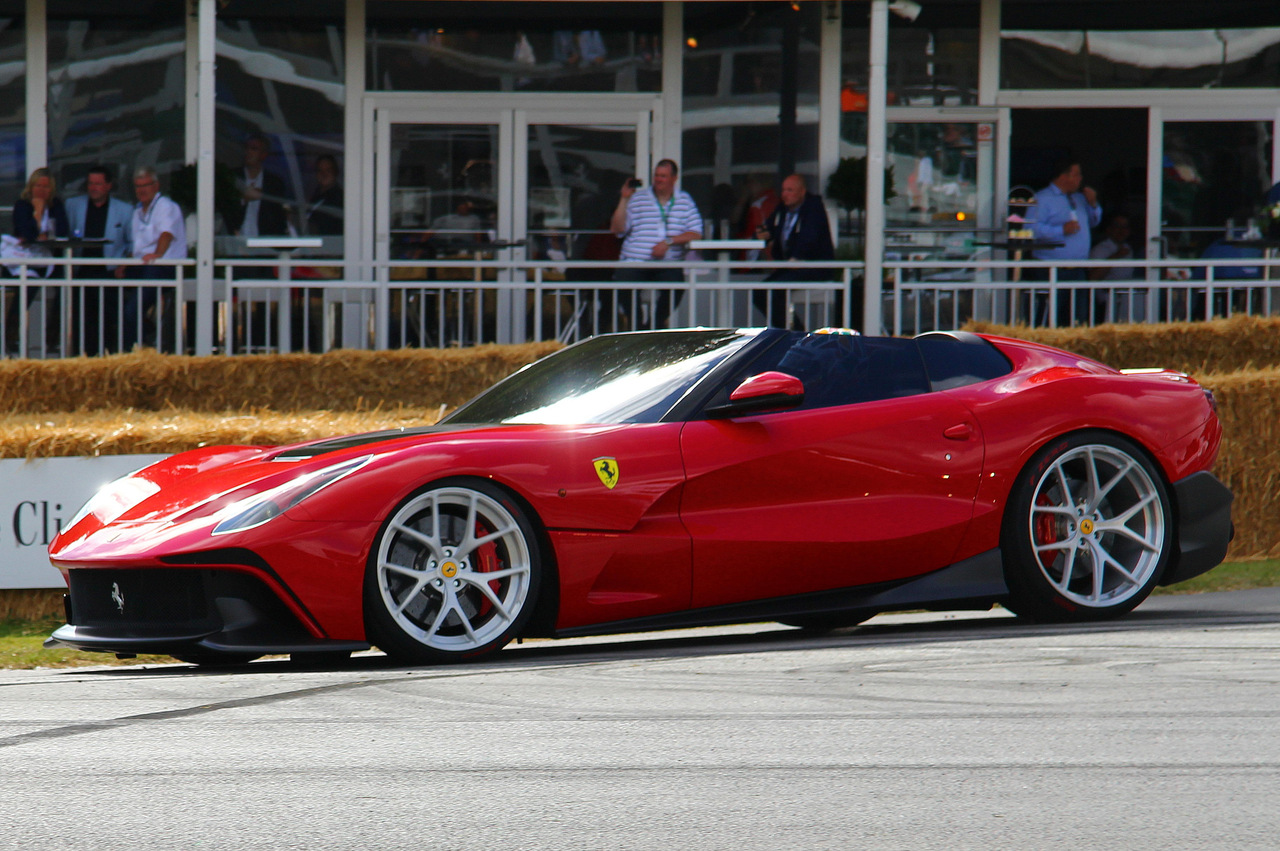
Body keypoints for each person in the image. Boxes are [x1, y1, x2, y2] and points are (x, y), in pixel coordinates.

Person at [610, 158, 702, 329]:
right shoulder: (638, 199)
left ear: (674, 178)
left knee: (676, 285)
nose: (658, 180)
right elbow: (617, 229)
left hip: (668, 264)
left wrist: (669, 242)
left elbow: (696, 233)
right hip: (635, 261)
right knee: (624, 281)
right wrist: (624, 199)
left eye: (663, 176)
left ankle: (654, 326)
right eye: (656, 175)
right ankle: (636, 327)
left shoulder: (684, 200)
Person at [64, 165, 133, 354]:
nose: (93, 187)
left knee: (109, 319)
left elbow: (132, 242)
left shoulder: (125, 210)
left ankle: (109, 357)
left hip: (108, 273)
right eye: (90, 183)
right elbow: (64, 235)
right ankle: (83, 357)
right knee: (82, 321)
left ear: (109, 185)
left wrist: (123, 264)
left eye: (98, 183)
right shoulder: (72, 205)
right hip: (80, 271)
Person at [753, 174, 835, 329]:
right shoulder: (782, 209)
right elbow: (767, 229)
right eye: (783, 190)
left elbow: (809, 236)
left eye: (790, 190)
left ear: (802, 192)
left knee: (775, 291)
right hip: (790, 267)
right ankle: (788, 332)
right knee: (760, 292)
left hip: (813, 267)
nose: (784, 194)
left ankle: (796, 334)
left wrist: (797, 258)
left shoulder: (813, 208)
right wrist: (762, 235)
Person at [121, 167, 187, 351]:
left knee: (131, 310)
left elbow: (166, 234)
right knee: (109, 293)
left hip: (162, 267)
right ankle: (147, 333)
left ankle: (133, 350)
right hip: (141, 266)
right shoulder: (137, 212)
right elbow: (136, 247)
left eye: (146, 185)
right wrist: (123, 264)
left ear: (156, 185)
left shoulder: (166, 206)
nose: (141, 190)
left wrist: (158, 254)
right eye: (137, 186)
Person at [1030, 159, 1102, 323]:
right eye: (1077, 174)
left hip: (1078, 269)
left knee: (1079, 319)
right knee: (1050, 317)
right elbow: (1032, 230)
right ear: (1063, 176)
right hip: (1052, 269)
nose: (1080, 179)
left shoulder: (1079, 198)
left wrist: (1093, 203)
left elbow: (1094, 222)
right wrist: (1061, 230)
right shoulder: (1042, 198)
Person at [6, 167, 69, 352]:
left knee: (65, 283)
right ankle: (11, 337)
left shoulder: (56, 205)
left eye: (46, 187)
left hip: (50, 258)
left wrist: (41, 234)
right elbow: (27, 233)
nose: (42, 190)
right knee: (28, 287)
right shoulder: (22, 205)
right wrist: (38, 213)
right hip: (28, 260)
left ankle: (53, 339)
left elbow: (62, 231)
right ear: (31, 187)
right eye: (38, 186)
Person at [220, 133, 288, 238]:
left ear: (264, 154)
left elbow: (278, 217)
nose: (249, 152)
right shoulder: (233, 177)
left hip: (264, 245)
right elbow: (224, 210)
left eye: (254, 149)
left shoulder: (274, 183)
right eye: (247, 148)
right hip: (236, 243)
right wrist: (243, 199)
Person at [305, 154, 343, 237]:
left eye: (328, 170)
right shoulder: (316, 196)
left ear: (335, 172)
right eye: (320, 170)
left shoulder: (339, 198)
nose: (324, 174)